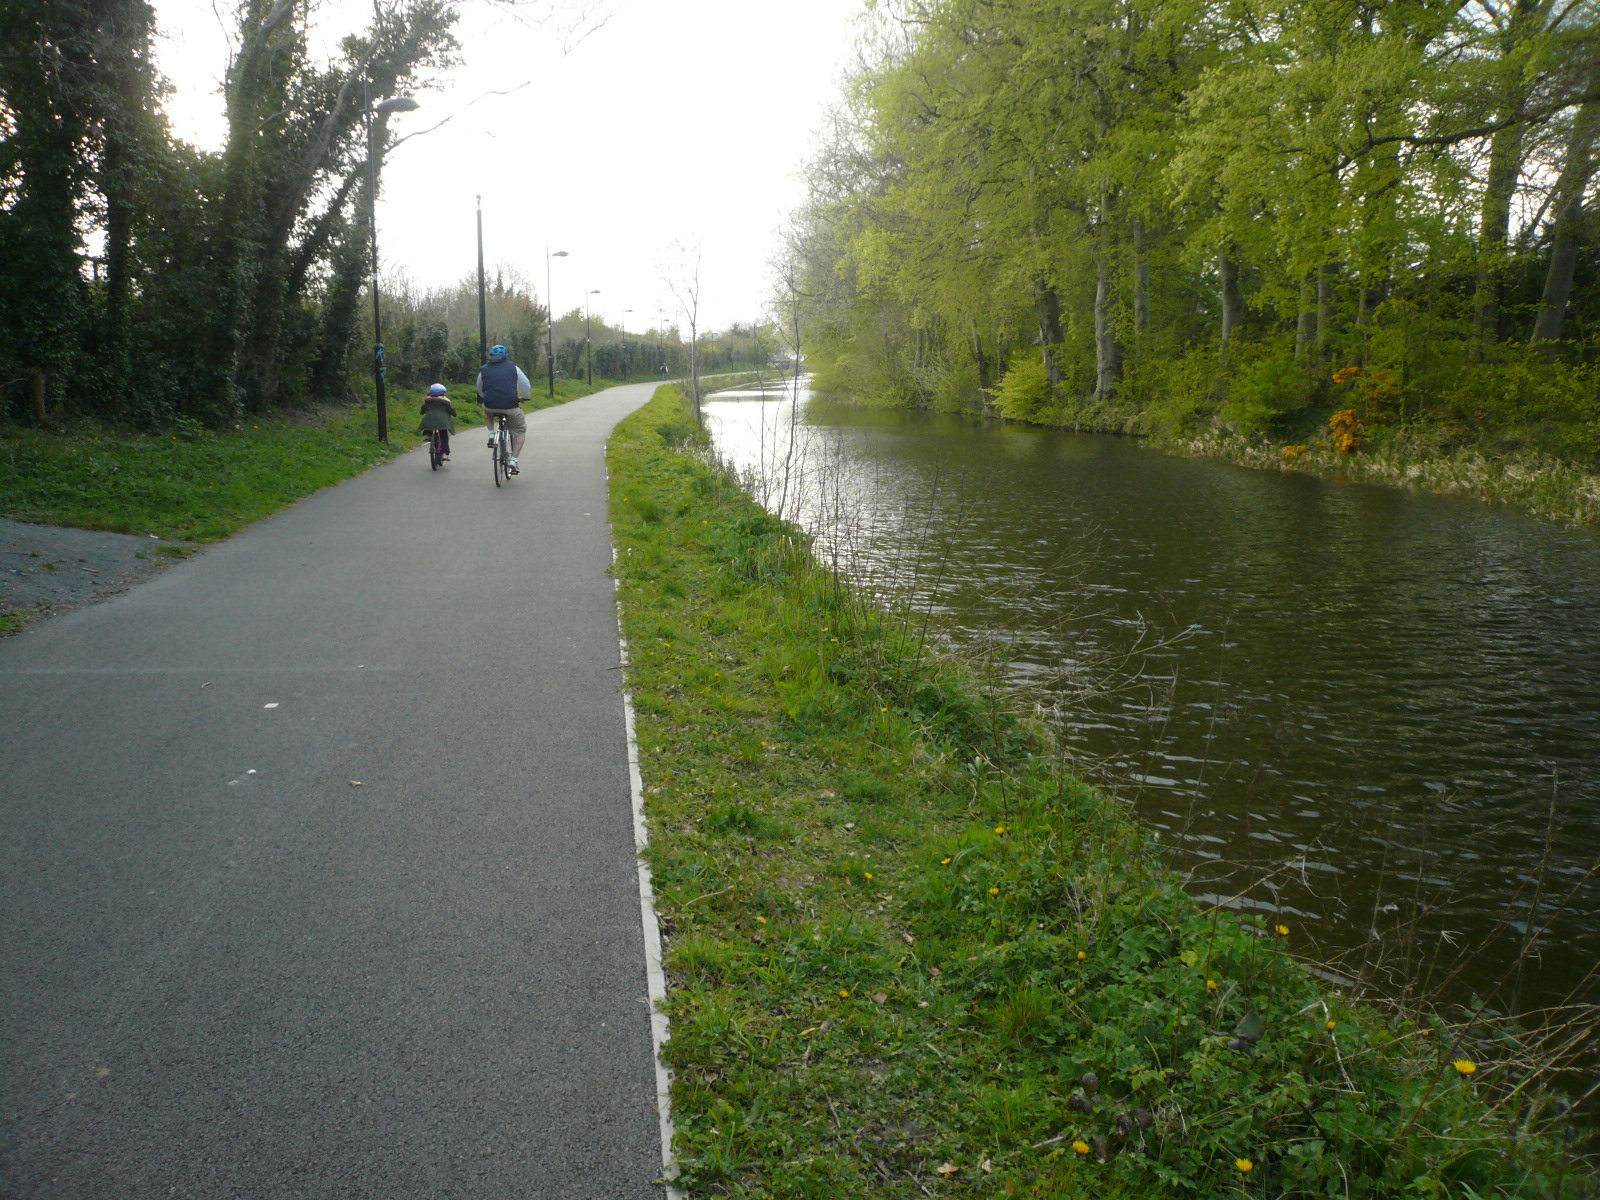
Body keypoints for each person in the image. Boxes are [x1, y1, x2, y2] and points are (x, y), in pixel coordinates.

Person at [476, 344, 532, 474]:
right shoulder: (514, 368)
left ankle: (491, 433)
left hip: (490, 405)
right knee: (519, 431)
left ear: (491, 356)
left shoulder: (483, 370)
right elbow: (525, 384)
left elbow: (479, 387)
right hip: (510, 406)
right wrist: (525, 397)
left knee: (486, 410)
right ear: (505, 356)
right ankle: (513, 460)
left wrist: (485, 397)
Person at [418, 383, 456, 459]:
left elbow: (422, 412)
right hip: (442, 423)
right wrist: (453, 413)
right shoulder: (446, 402)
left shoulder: (427, 401)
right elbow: (453, 412)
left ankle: (428, 435)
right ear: (443, 393)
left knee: (429, 424)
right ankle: (444, 453)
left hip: (429, 422)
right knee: (444, 436)